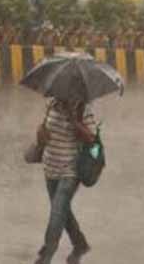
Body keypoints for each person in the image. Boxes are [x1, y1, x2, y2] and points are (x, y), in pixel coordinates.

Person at [34, 95, 97, 264]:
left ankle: (46, 255)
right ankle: (80, 244)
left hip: (70, 171)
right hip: (50, 168)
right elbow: (44, 134)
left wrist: (73, 120)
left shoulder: (83, 109)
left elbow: (92, 138)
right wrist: (41, 133)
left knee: (57, 212)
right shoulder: (51, 103)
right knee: (62, 211)